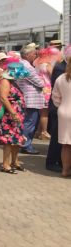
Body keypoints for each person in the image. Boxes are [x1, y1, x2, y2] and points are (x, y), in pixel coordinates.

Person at [0, 62, 28, 173]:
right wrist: (13, 113)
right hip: (9, 115)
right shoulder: (5, 81)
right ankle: (5, 164)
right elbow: (3, 98)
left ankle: (14, 162)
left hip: (16, 115)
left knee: (16, 139)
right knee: (8, 140)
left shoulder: (12, 80)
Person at [17, 45, 45, 154]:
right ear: (28, 55)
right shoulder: (27, 66)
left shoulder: (19, 64)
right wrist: (43, 81)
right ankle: (26, 145)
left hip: (25, 97)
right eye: (34, 54)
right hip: (31, 99)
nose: (35, 55)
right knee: (30, 123)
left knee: (26, 123)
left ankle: (23, 143)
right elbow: (40, 83)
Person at [46, 48, 68, 172]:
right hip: (59, 107)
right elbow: (58, 90)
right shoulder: (61, 68)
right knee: (57, 137)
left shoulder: (62, 66)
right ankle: (51, 162)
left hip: (62, 106)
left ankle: (61, 161)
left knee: (63, 139)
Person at [51, 46, 71, 177]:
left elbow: (55, 96)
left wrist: (61, 106)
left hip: (64, 111)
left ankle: (64, 170)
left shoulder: (62, 78)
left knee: (66, 144)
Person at [33, 47, 60, 140]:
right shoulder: (47, 65)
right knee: (45, 112)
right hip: (47, 89)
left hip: (40, 89)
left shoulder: (37, 65)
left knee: (41, 112)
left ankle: (38, 131)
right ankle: (44, 131)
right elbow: (53, 76)